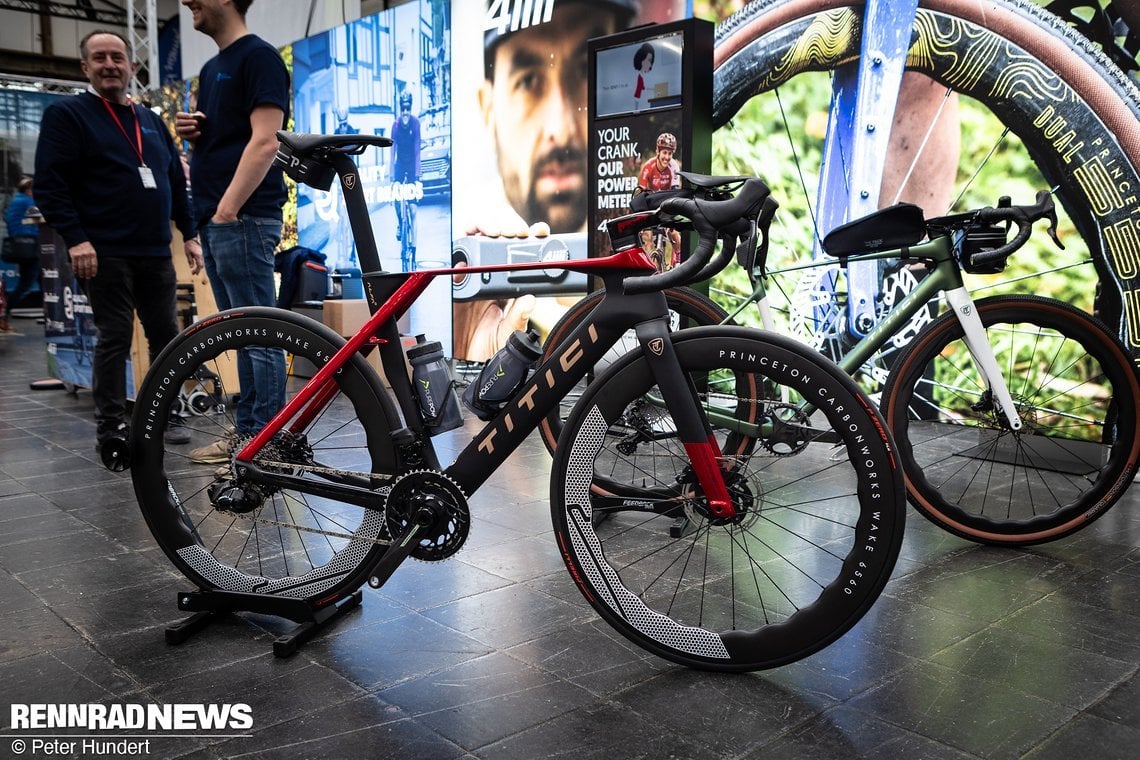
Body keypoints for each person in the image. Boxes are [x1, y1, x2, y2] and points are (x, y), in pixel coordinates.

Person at [33, 30, 203, 456]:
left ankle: (167, 413)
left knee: (166, 335)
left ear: (132, 66)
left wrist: (191, 235)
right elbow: (51, 186)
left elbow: (173, 184)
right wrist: (76, 239)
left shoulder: (150, 121)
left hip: (154, 251)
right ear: (84, 67)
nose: (110, 64)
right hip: (103, 252)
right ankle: (110, 426)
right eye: (99, 58)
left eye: (118, 57)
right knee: (114, 337)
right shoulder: (68, 115)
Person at [454, 0, 637, 360]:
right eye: (529, 80)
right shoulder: (470, 271)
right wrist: (470, 351)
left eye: (589, 70)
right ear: (488, 108)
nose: (560, 127)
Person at [175, 0, 290, 464]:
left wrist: (226, 210)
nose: (187, 2)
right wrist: (195, 131)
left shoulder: (258, 57)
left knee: (259, 334)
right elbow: (236, 136)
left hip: (240, 218)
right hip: (220, 218)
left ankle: (265, 439)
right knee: (244, 333)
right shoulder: (211, 67)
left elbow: (266, 140)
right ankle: (249, 436)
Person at [636, 132, 683, 271]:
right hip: (651, 205)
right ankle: (652, 270)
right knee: (647, 235)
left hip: (667, 205)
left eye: (670, 153)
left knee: (674, 234)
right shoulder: (648, 167)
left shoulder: (674, 166)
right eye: (664, 153)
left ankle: (678, 263)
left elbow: (675, 192)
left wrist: (671, 218)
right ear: (657, 151)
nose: (667, 157)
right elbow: (640, 195)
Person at [391, 89, 421, 271]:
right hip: (400, 166)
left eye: (408, 109)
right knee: (396, 200)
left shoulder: (416, 124)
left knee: (413, 210)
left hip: (412, 168)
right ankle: (399, 224)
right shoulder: (395, 125)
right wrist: (390, 175)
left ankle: (415, 252)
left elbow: (418, 149)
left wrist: (417, 176)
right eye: (403, 109)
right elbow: (392, 150)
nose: (405, 113)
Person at [3, 177, 39, 314]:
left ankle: (51, 311)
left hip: (21, 245)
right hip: (29, 245)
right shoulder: (27, 201)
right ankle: (5, 310)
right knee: (26, 284)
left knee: (38, 280)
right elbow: (40, 217)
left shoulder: (15, 201)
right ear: (29, 190)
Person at [632, 42, 654, 113]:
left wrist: (653, 90)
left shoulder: (642, 76)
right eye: (649, 60)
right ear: (642, 60)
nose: (650, 64)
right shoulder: (638, 77)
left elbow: (643, 89)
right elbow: (637, 95)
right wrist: (636, 110)